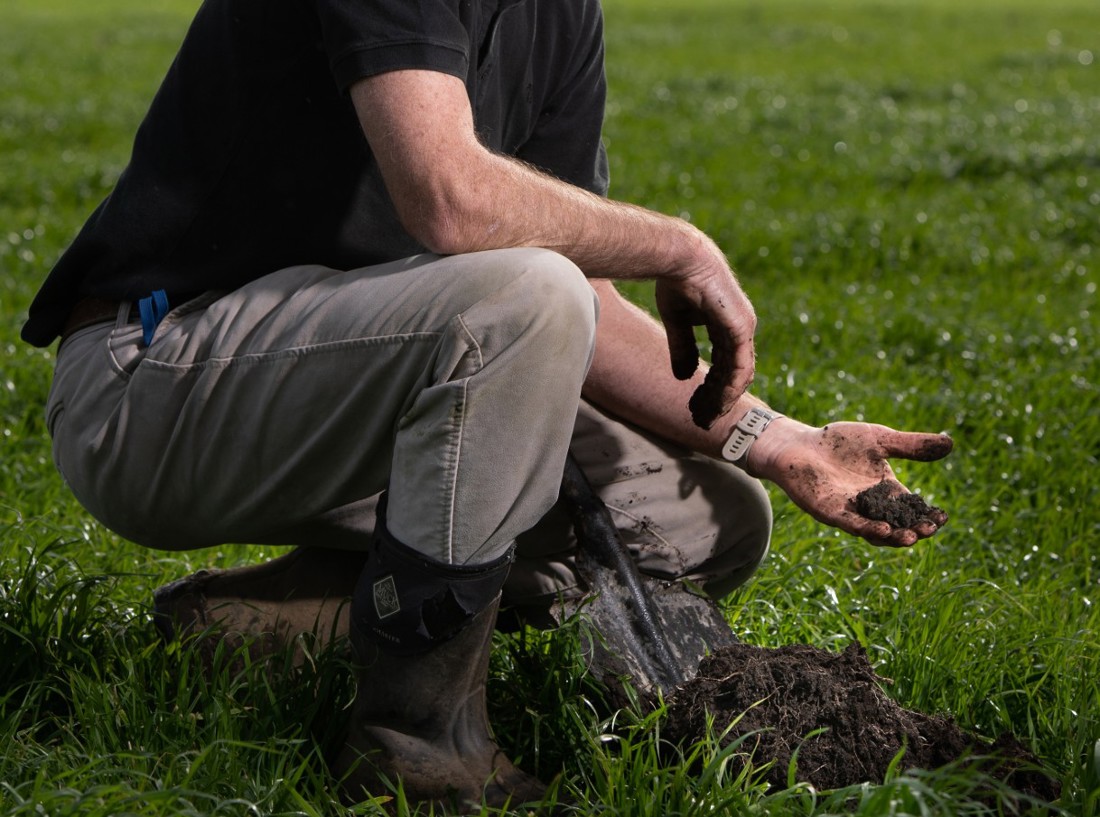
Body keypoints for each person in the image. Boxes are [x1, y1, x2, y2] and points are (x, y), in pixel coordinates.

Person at [22, 0, 952, 811]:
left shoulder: (562, 13)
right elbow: (452, 202)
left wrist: (779, 441)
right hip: (157, 383)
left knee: (707, 519)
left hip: (349, 388)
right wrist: (679, 245)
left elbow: (582, 303)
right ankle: (421, 752)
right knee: (522, 296)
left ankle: (270, 623)